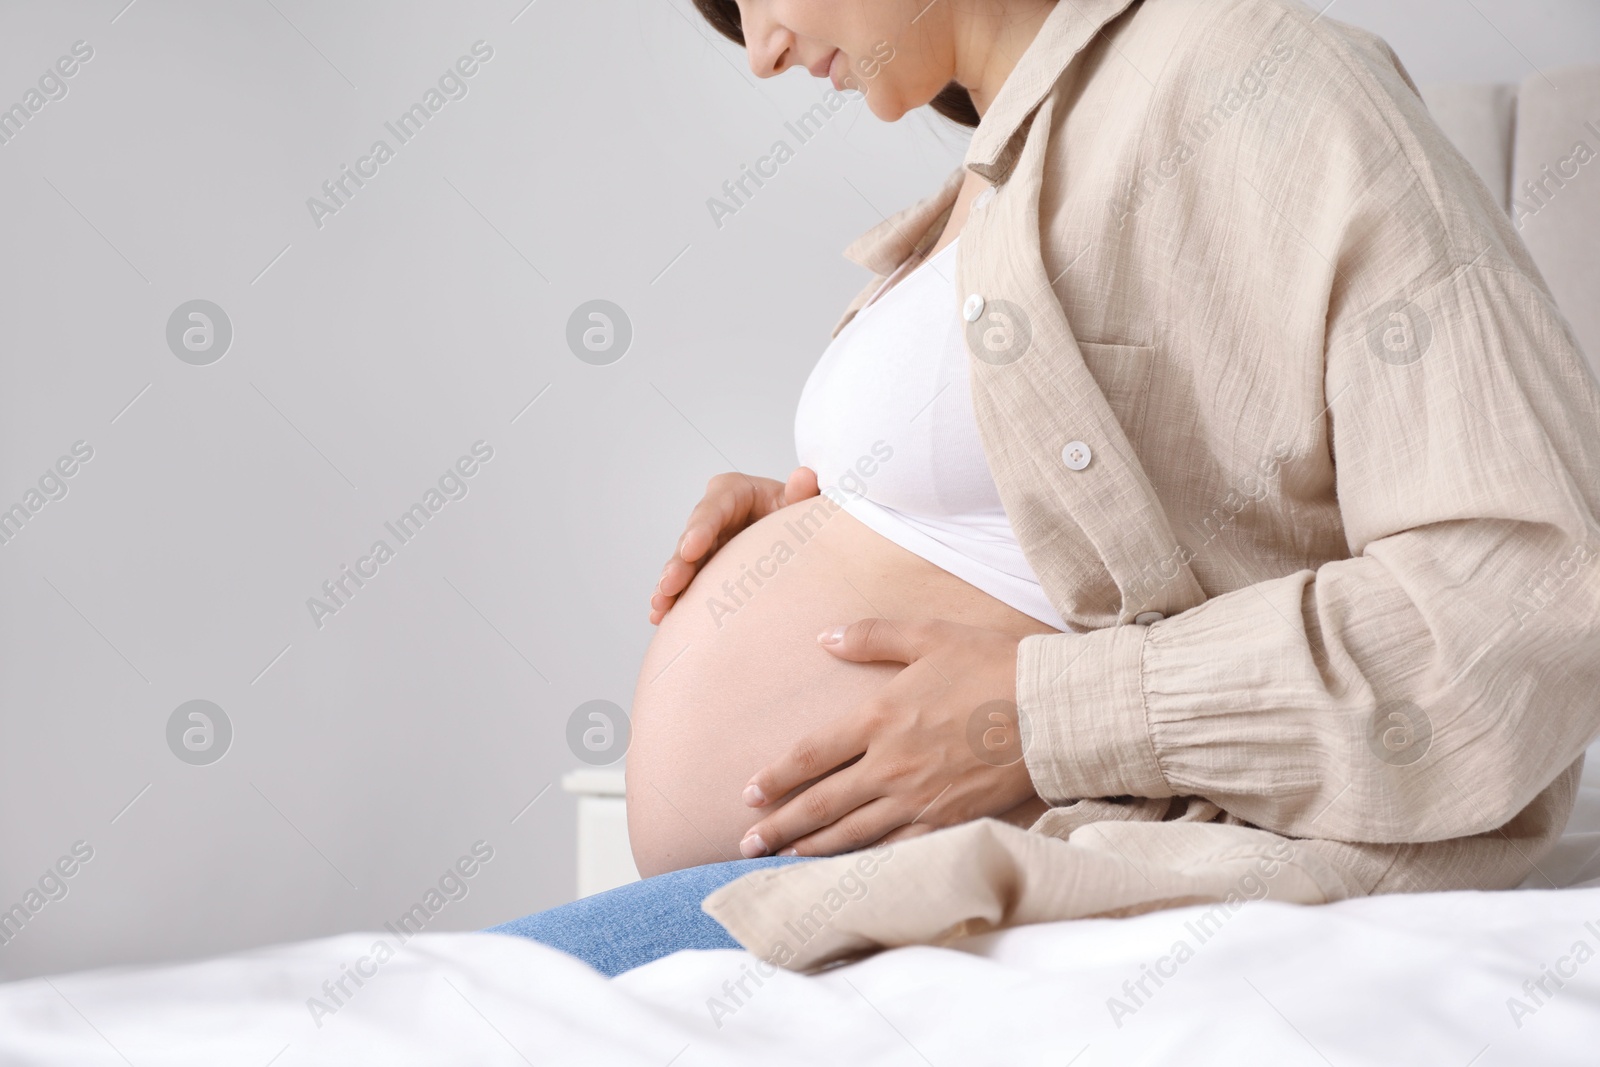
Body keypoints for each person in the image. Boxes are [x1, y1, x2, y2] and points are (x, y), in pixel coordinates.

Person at [490, 0, 1600, 976]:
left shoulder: (1246, 70)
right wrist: (805, 527)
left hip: (1011, 885)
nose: (761, 51)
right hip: (859, 895)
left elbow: (1527, 594)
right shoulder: (995, 181)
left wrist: (1038, 715)